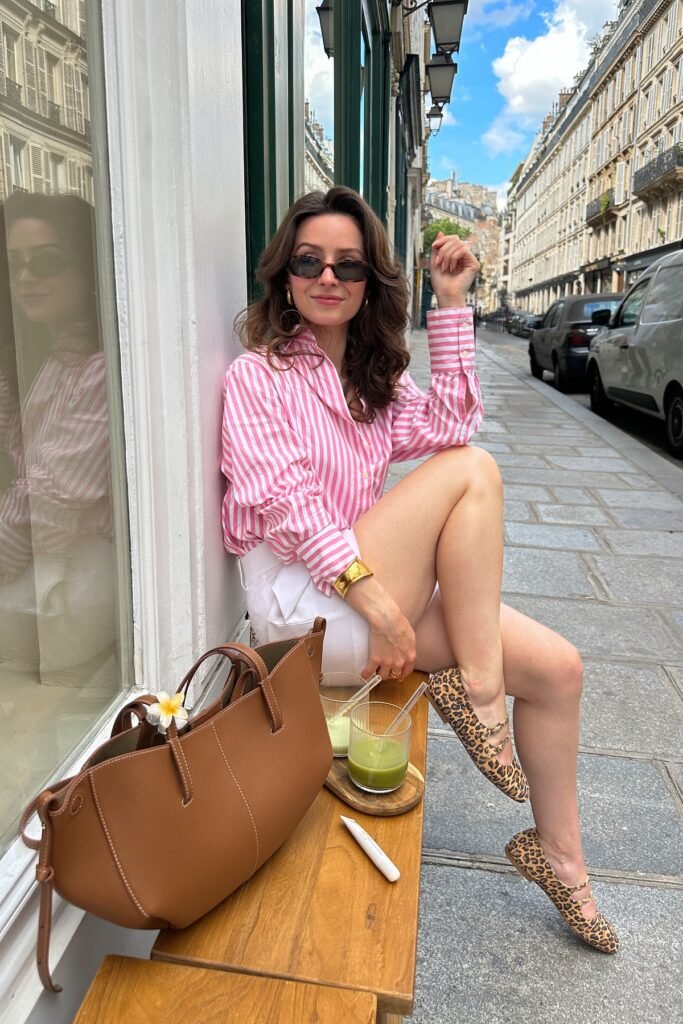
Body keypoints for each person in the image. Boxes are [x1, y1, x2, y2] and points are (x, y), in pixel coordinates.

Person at [221, 186, 619, 955]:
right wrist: (382, 607)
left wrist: (451, 303)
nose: (327, 277)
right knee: (471, 474)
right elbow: (288, 505)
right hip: (301, 613)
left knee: (559, 670)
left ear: (372, 280)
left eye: (348, 264)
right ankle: (476, 691)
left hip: (360, 601)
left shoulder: (372, 382)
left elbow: (451, 423)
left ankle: (561, 860)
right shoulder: (256, 375)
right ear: (283, 274)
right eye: (308, 261)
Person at [0, 192, 116, 680]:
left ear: (87, 272)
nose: (25, 279)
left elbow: (41, 504)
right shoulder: (42, 357)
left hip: (69, 589)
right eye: (15, 264)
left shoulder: (99, 372)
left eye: (46, 262)